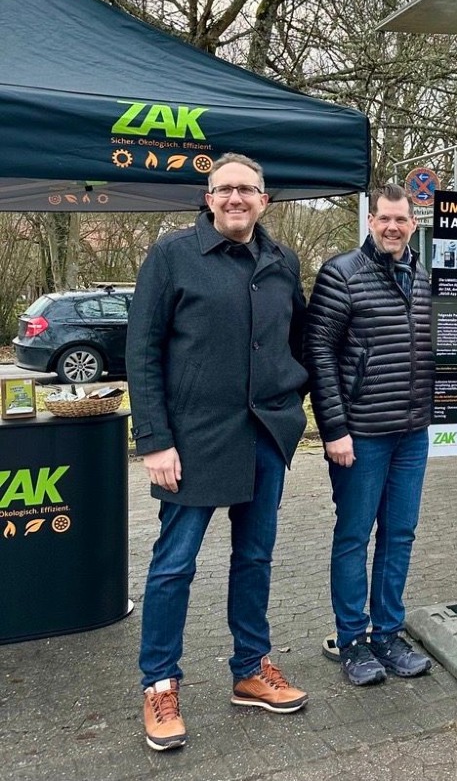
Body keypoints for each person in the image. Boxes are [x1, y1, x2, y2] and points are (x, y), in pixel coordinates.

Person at [126, 153, 310, 752]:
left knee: (255, 558)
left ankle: (250, 668)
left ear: (265, 199)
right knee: (175, 564)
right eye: (224, 189)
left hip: (264, 435)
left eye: (247, 189)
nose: (236, 198)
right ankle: (159, 682)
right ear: (208, 198)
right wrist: (154, 440)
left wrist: (289, 401)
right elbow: (142, 353)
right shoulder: (173, 256)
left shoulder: (283, 261)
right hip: (193, 443)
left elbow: (297, 340)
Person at [304, 183, 435, 686]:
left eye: (401, 220)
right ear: (371, 220)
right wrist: (334, 428)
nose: (392, 227)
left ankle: (388, 632)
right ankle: (353, 640)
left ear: (412, 224)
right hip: (360, 435)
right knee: (354, 536)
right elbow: (319, 352)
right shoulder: (343, 273)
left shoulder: (422, 277)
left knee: (399, 535)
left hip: (411, 434)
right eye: (384, 219)